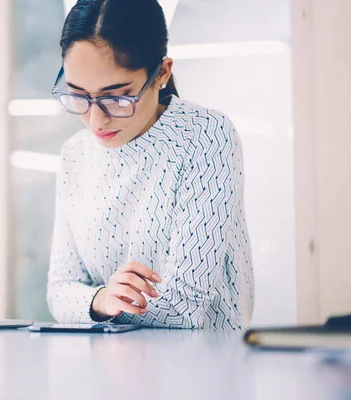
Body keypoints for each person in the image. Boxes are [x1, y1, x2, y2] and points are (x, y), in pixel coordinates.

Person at [46, 0, 254, 329]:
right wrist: (101, 299)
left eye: (116, 97)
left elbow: (185, 306)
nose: (95, 119)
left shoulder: (205, 135)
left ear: (162, 73)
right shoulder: (74, 154)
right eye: (78, 95)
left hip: (202, 366)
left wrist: (97, 302)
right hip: (105, 367)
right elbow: (59, 291)